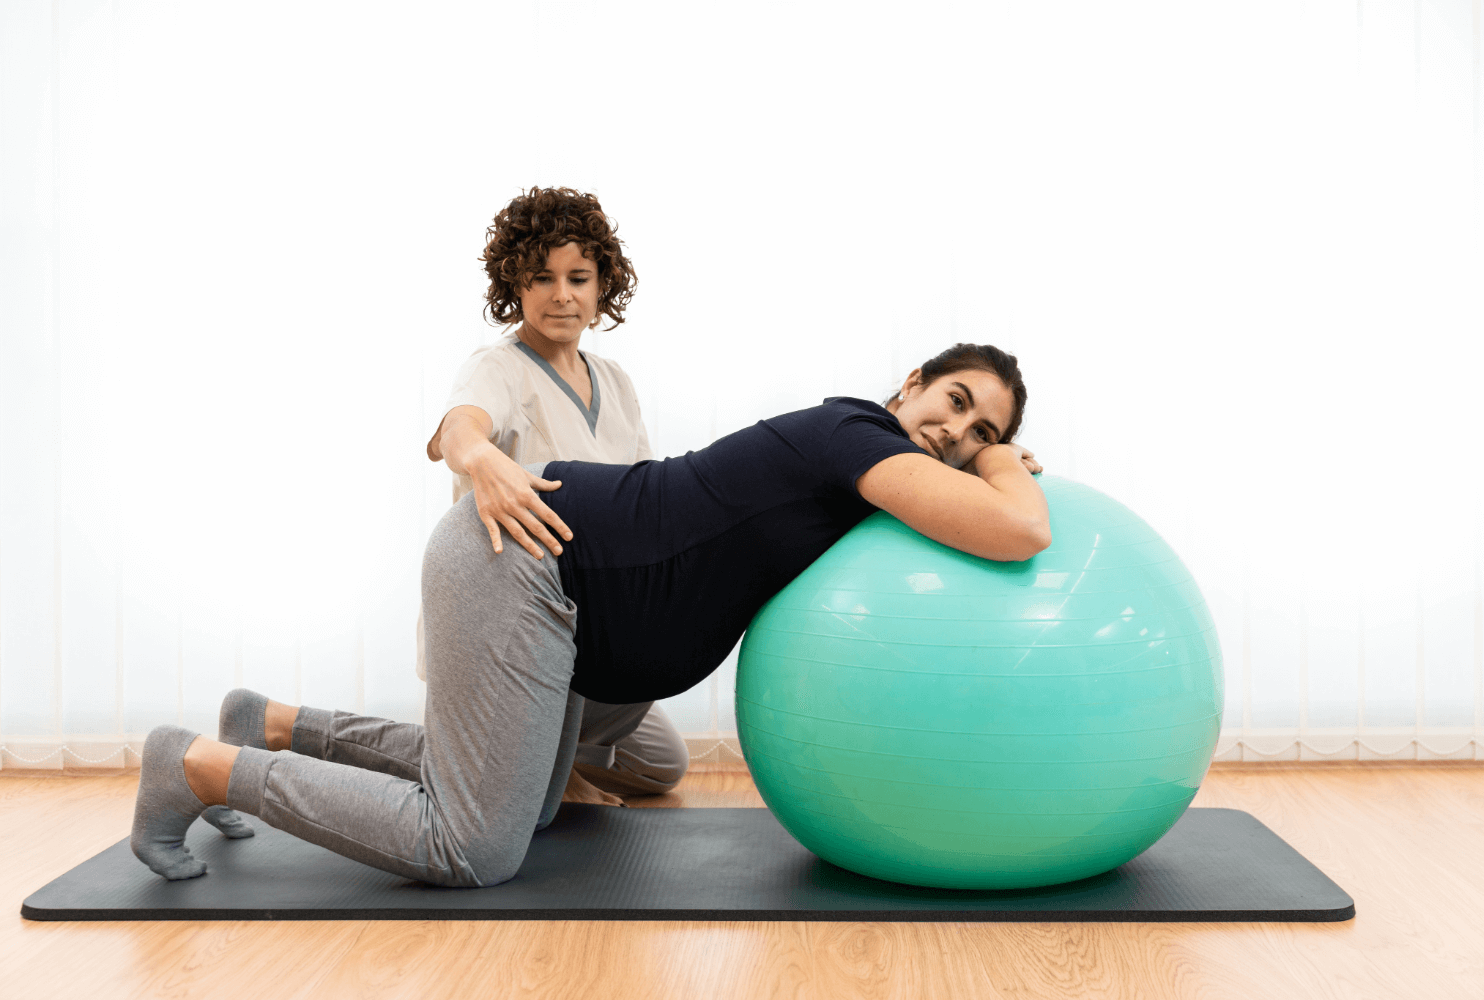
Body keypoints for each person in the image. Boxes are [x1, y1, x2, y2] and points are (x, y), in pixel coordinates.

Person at [130, 343, 1049, 885]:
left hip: (570, 610)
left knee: (524, 806)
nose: (956, 436)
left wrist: (991, 459)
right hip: (527, 564)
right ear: (913, 383)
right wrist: (1008, 462)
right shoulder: (856, 436)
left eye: (981, 435)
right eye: (957, 405)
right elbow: (1017, 531)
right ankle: (201, 767)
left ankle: (277, 724)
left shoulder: (870, 473)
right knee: (472, 843)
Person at [193, 187, 686, 844]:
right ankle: (284, 728)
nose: (561, 294)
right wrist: (482, 460)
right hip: (516, 630)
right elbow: (460, 429)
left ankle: (535, 760)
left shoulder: (616, 383)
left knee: (661, 763)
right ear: (515, 284)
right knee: (521, 807)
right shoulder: (499, 369)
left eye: (577, 278)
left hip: (586, 629)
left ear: (603, 288)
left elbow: (648, 495)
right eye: (541, 278)